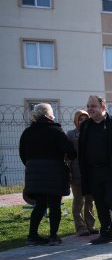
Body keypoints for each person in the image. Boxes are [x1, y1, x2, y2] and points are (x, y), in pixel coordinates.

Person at [19, 103, 77, 245]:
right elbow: (71, 152)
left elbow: (22, 154)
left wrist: (33, 166)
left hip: (34, 175)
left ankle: (32, 236)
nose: (54, 115)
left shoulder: (27, 132)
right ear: (47, 115)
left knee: (40, 205)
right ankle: (53, 236)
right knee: (55, 205)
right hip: (54, 174)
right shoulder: (56, 131)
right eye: (52, 113)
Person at [79, 95, 112, 244]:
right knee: (100, 203)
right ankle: (106, 233)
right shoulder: (85, 126)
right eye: (88, 106)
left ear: (103, 107)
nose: (90, 109)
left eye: (93, 106)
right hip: (93, 172)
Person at [66, 110, 98, 236]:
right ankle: (80, 227)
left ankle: (90, 225)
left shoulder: (93, 132)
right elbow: (67, 154)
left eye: (85, 118)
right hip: (76, 171)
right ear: (76, 121)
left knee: (90, 200)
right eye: (80, 119)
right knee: (79, 200)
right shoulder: (71, 134)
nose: (83, 121)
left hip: (90, 171)